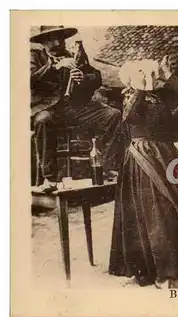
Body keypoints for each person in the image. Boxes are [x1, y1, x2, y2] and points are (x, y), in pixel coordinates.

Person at [108, 59, 178, 289]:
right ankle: (158, 272)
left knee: (166, 210)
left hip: (162, 153)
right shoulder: (130, 95)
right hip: (143, 156)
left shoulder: (155, 97)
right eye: (138, 71)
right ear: (129, 78)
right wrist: (141, 88)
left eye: (145, 70)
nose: (145, 73)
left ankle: (168, 268)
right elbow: (129, 117)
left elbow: (167, 126)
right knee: (153, 211)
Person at [30, 26, 122, 192]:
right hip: (50, 109)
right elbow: (30, 80)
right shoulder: (35, 57)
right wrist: (54, 67)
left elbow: (96, 77)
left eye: (60, 38)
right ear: (42, 42)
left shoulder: (75, 55)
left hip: (78, 108)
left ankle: (110, 169)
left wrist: (83, 78)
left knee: (113, 115)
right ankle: (50, 179)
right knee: (42, 120)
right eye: (51, 39)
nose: (57, 43)